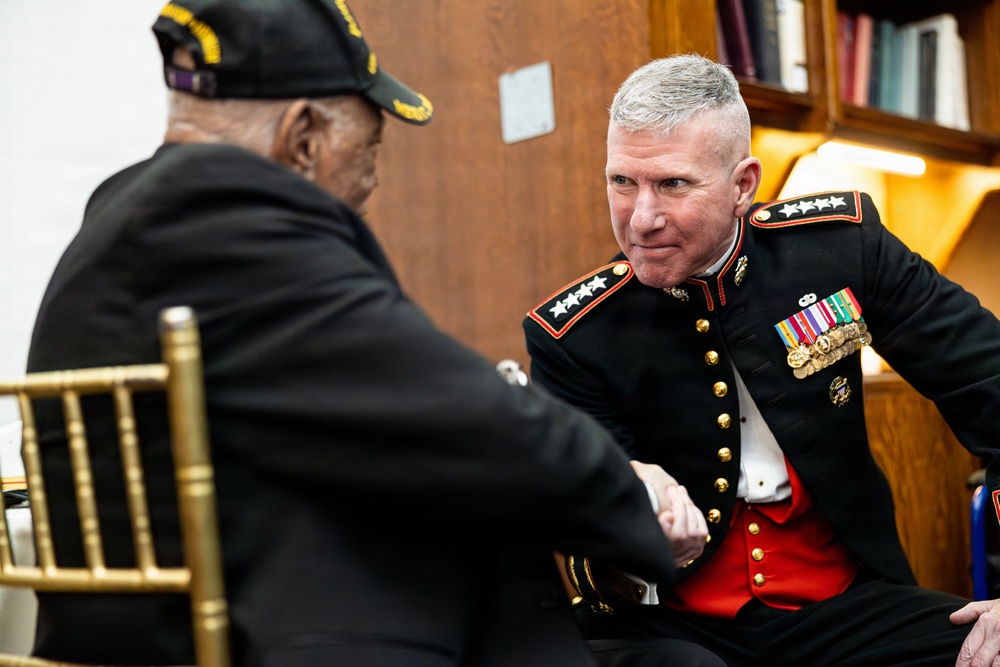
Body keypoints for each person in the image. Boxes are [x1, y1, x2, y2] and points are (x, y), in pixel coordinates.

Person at [24, 4, 722, 666]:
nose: (373, 176)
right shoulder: (229, 219)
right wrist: (633, 489)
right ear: (304, 136)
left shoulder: (123, 215)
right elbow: (452, 410)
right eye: (371, 141)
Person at [523, 53, 1000, 667]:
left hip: (843, 606)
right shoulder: (575, 332)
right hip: (669, 624)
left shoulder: (841, 250)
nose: (641, 219)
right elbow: (576, 497)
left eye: (672, 184)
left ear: (743, 183)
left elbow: (990, 383)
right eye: (622, 182)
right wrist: (630, 508)